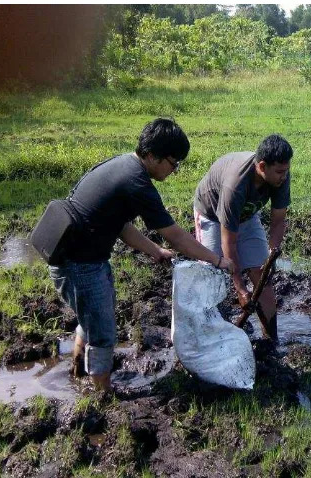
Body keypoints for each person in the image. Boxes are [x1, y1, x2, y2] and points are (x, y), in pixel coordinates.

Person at [50, 118, 234, 392]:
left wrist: (155, 250)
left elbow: (121, 226)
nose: (174, 170)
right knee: (102, 332)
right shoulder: (137, 182)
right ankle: (102, 394)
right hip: (79, 262)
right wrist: (218, 259)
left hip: (81, 256)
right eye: (173, 162)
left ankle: (78, 373)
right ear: (152, 155)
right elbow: (177, 236)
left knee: (94, 318)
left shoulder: (123, 165)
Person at [193, 135, 292, 342]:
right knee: (214, 276)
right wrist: (240, 288)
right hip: (212, 216)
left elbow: (278, 221)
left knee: (262, 275)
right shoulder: (235, 185)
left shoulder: (281, 175)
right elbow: (228, 242)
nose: (284, 176)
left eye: (286, 170)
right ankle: (212, 338)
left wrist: (270, 257)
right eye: (280, 172)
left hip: (246, 216)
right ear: (262, 166)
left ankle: (271, 340)